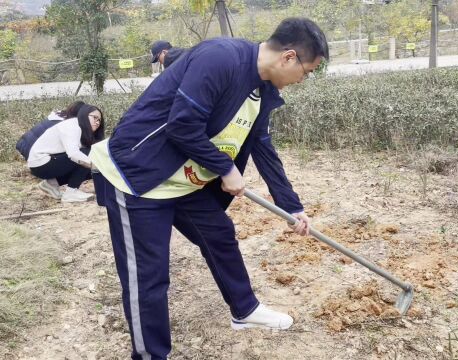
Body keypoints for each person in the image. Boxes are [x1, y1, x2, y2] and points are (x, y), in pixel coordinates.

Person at [90, 17, 328, 359]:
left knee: (219, 235)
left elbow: (262, 146)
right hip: (136, 177)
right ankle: (151, 355)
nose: (303, 79)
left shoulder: (263, 90)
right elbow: (182, 125)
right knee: (149, 276)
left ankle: (244, 310)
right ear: (289, 57)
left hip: (183, 182)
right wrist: (225, 168)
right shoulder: (221, 58)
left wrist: (291, 206)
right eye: (307, 71)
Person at [28, 104, 105, 202]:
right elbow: (73, 154)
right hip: (41, 163)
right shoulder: (73, 125)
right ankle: (71, 193)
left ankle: (51, 184)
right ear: (84, 115)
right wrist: (97, 165)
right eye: (95, 117)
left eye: (99, 120)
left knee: (88, 162)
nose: (97, 122)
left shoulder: (79, 128)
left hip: (44, 162)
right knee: (87, 155)